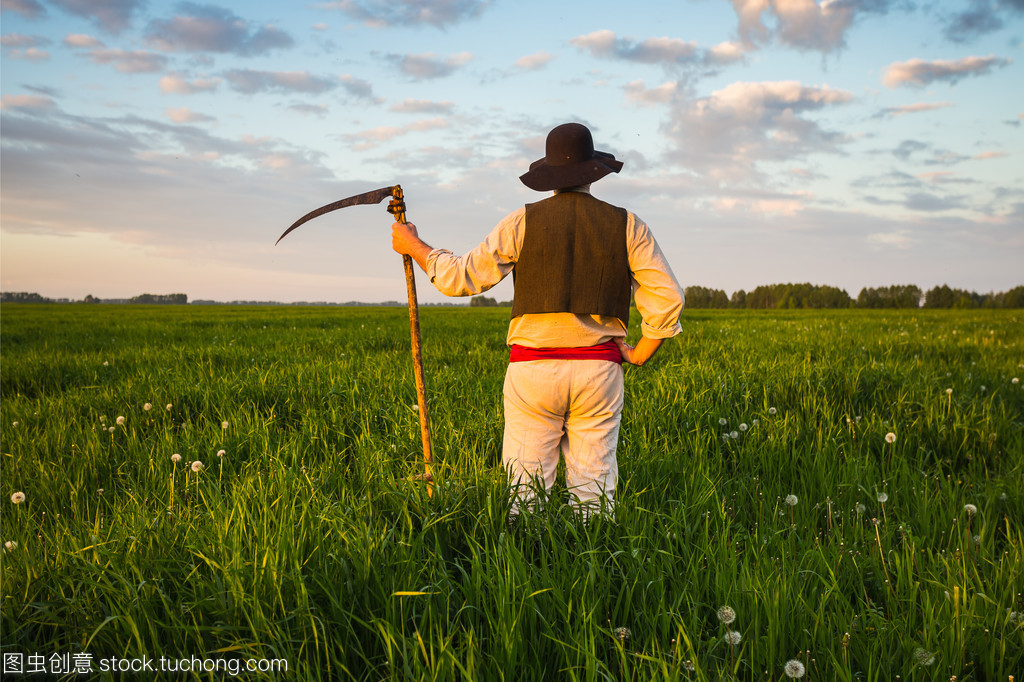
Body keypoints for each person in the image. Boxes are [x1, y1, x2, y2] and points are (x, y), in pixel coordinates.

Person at [392, 122, 683, 519]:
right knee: (594, 492)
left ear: (549, 177)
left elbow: (459, 278)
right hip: (599, 371)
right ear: (592, 171)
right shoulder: (627, 224)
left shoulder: (520, 222)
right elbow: (667, 297)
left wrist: (414, 246)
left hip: (533, 372)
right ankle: (596, 573)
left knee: (525, 495)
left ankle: (527, 567)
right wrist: (640, 353)